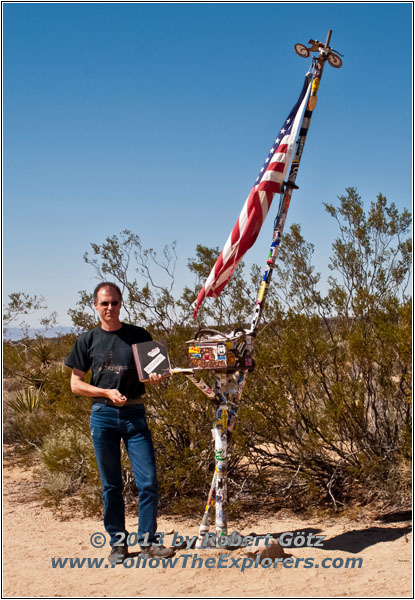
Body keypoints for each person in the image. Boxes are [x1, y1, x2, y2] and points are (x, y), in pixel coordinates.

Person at [65, 281, 175, 563]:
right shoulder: (87, 340)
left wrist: (157, 377)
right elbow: (76, 385)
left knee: (148, 481)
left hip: (134, 414)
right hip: (103, 416)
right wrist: (104, 392)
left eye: (114, 302)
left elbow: (156, 371)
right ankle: (118, 543)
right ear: (95, 306)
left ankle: (149, 542)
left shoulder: (138, 335)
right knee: (111, 484)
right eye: (104, 304)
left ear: (121, 303)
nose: (110, 308)